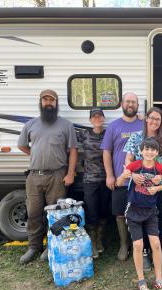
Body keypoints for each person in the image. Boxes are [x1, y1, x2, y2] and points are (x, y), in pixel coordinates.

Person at [17, 89, 78, 264]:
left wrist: (70, 173)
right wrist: (36, 156)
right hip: (34, 176)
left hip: (57, 176)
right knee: (34, 213)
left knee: (56, 215)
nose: (48, 103)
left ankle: (51, 246)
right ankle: (34, 247)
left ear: (56, 103)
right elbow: (22, 145)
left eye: (52, 100)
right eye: (45, 100)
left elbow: (73, 150)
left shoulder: (66, 125)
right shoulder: (31, 124)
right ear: (40, 102)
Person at [117, 137, 162, 290]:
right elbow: (121, 180)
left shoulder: (160, 168)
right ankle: (142, 282)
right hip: (133, 210)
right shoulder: (135, 165)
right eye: (146, 149)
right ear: (141, 151)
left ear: (157, 153)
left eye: (153, 150)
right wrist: (126, 175)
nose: (149, 152)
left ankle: (159, 280)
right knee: (138, 245)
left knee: (156, 244)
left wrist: (157, 187)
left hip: (150, 211)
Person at [123, 107, 162, 269]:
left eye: (158, 119)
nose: (154, 121)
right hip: (139, 187)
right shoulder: (136, 137)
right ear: (146, 118)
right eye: (151, 118)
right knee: (141, 218)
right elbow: (128, 160)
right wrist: (132, 176)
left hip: (159, 186)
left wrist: (161, 177)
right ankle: (144, 253)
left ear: (161, 122)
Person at [100, 92, 143, 261]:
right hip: (121, 178)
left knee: (140, 212)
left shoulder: (144, 124)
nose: (130, 104)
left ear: (137, 105)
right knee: (120, 213)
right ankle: (124, 245)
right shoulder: (113, 126)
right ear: (122, 104)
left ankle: (137, 245)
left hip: (141, 180)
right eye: (127, 101)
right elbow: (106, 152)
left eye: (133, 102)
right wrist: (110, 175)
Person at [76, 108, 110, 259]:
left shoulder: (109, 133)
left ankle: (100, 240)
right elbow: (69, 145)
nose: (97, 119)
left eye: (99, 116)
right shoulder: (83, 134)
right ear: (90, 120)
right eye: (94, 117)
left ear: (103, 118)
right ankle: (92, 243)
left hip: (106, 178)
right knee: (91, 211)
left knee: (103, 211)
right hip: (89, 179)